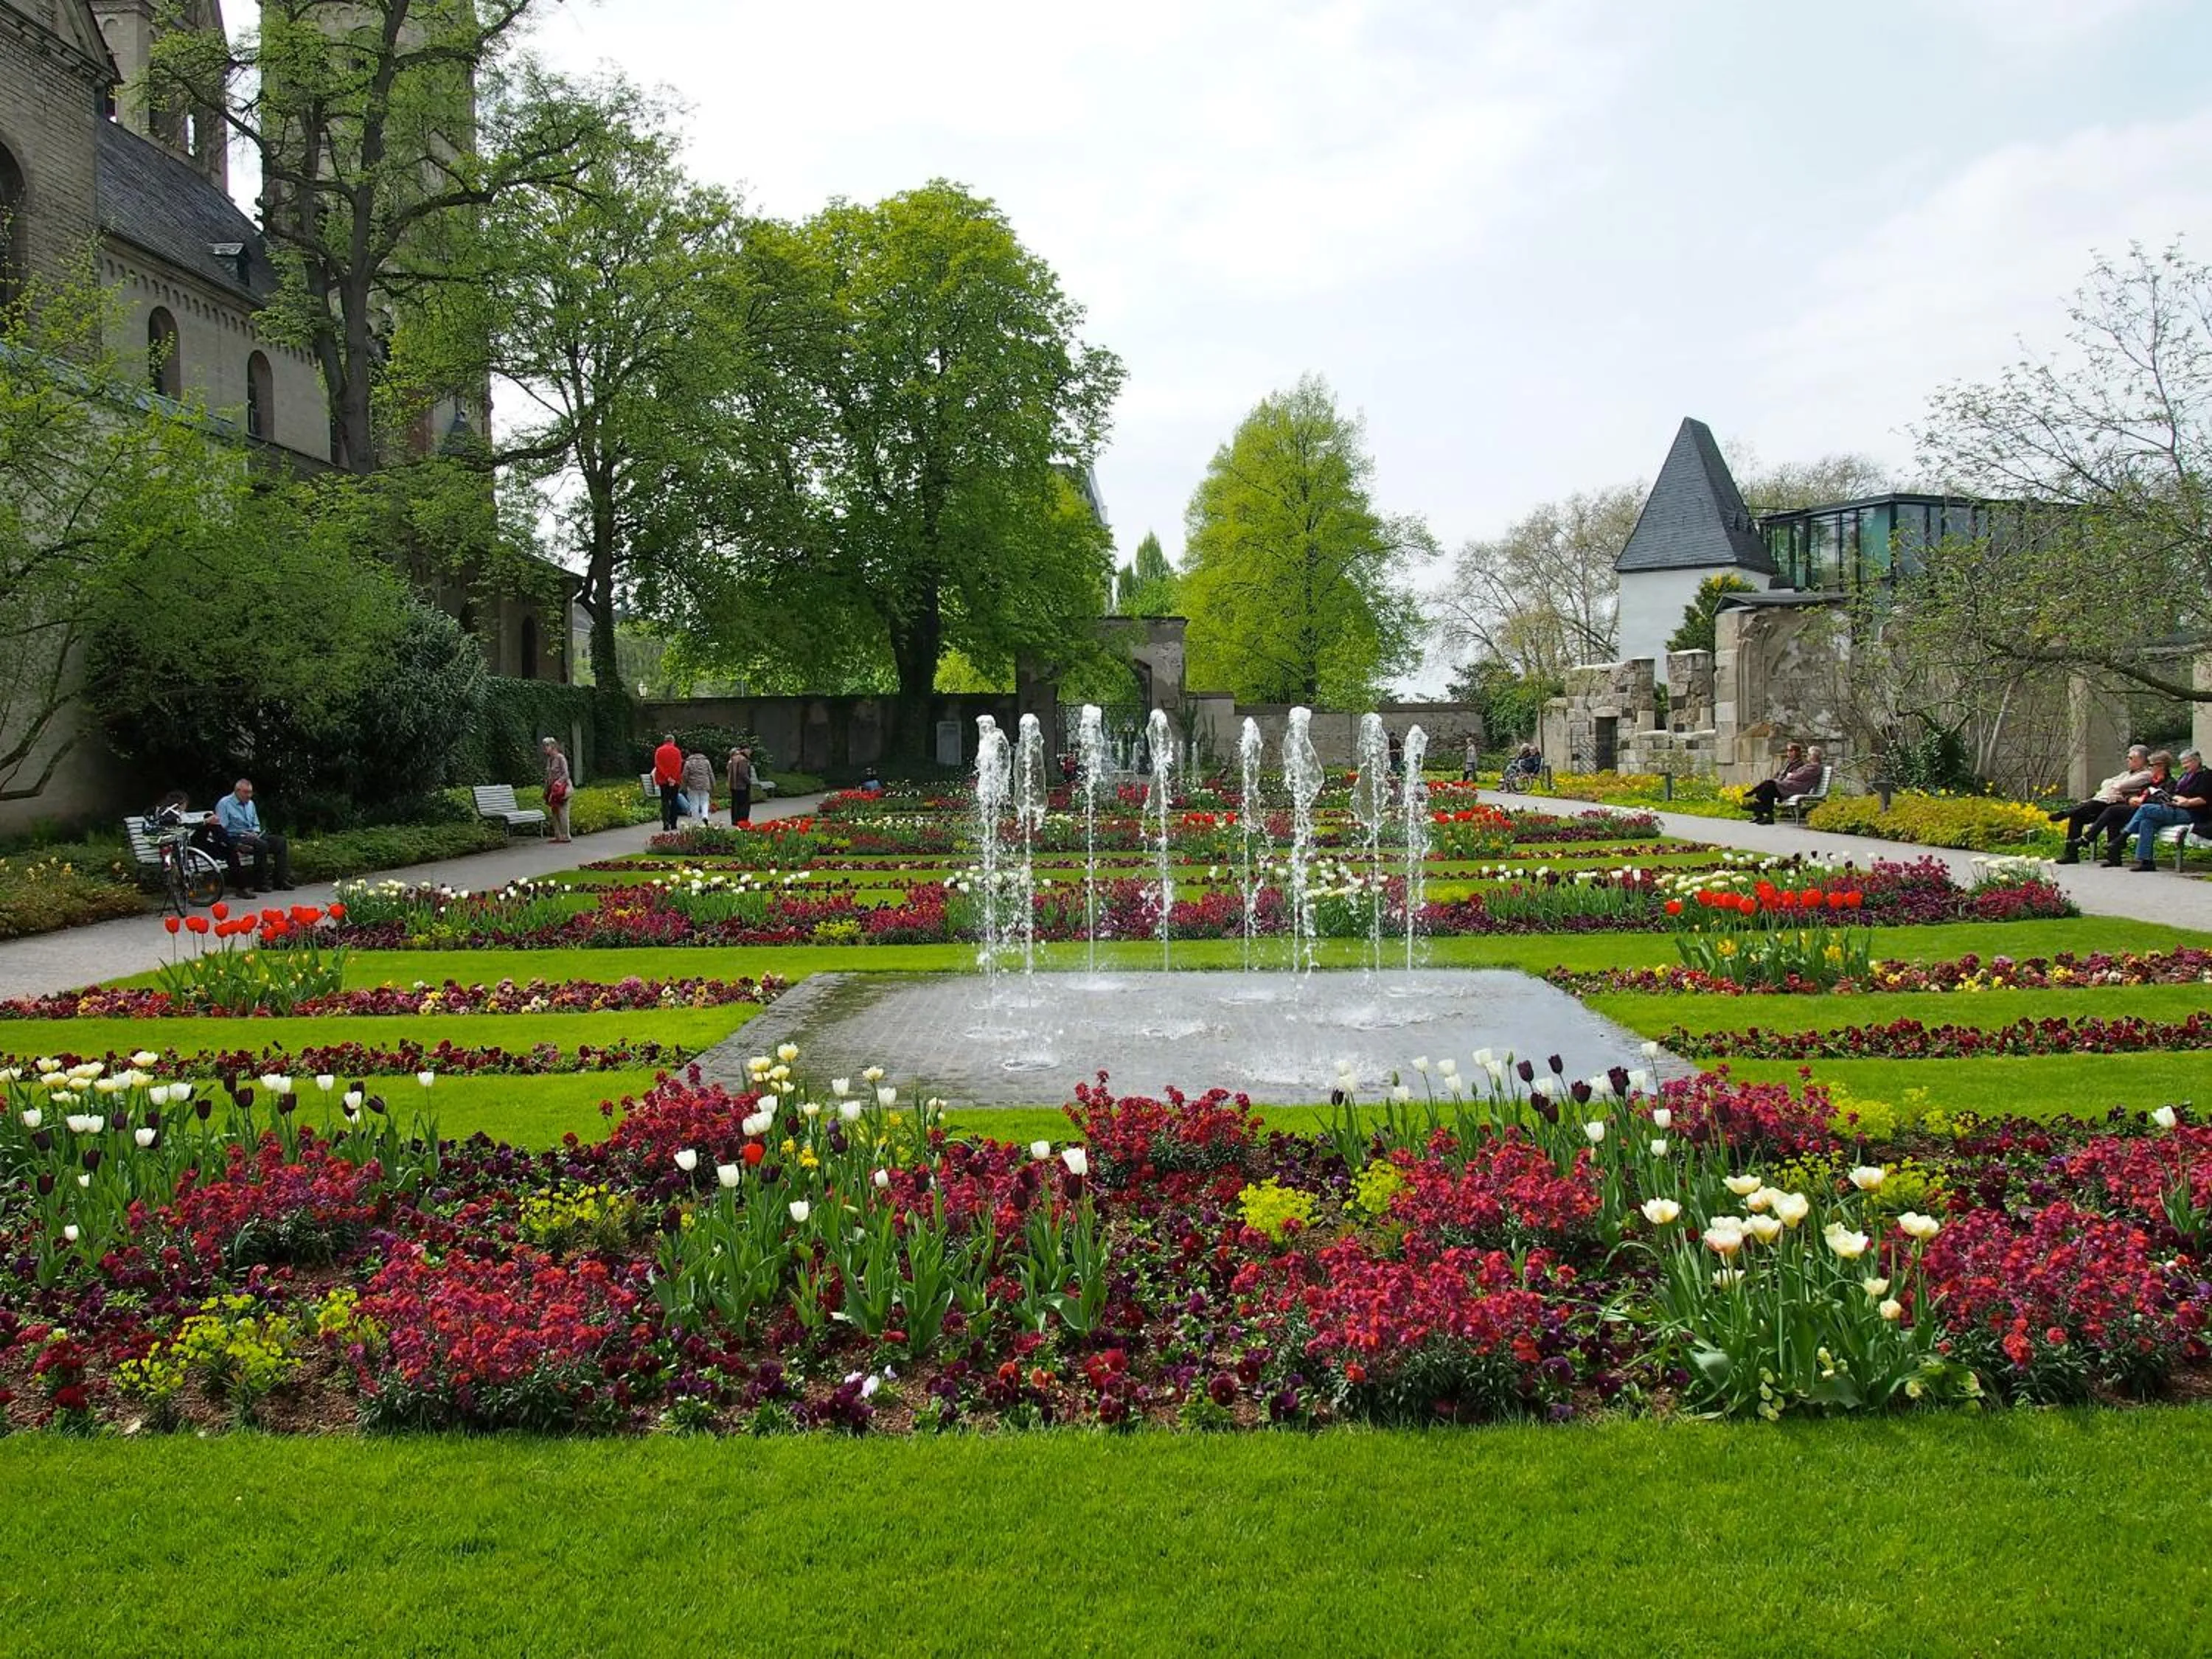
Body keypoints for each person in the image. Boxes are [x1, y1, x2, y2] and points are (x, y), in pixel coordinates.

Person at [2050, 743, 2152, 864]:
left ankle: (2066, 813)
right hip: (2107, 803)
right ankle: (2071, 854)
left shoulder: (2145, 775)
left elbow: (2119, 785)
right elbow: (2106, 783)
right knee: (2078, 816)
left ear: (2141, 760)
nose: (2127, 760)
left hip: (2120, 805)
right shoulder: (2126, 774)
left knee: (2101, 808)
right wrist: (2114, 785)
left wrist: (2115, 785)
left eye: (2131, 758)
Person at [2118, 748, 2212, 871]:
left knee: (2146, 809)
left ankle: (2122, 838)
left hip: (2193, 813)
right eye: (2182, 763)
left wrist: (2188, 802)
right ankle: (2146, 862)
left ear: (2197, 761)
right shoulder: (2185, 776)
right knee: (2147, 821)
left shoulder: (2206, 775)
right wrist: (2173, 798)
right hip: (2177, 808)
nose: (2184, 766)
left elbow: (2206, 798)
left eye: (2187, 762)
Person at [151, 789, 249, 897]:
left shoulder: (174, 812)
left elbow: (189, 824)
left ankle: (241, 887)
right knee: (209, 819)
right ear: (181, 803)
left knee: (229, 851)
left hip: (196, 844)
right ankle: (234, 846)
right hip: (185, 846)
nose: (185, 807)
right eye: (185, 804)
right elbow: (186, 825)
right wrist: (207, 821)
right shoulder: (168, 813)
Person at [215, 778, 292, 891]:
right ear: (237, 791)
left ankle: (280, 880)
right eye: (246, 792)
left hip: (253, 835)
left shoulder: (250, 804)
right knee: (261, 845)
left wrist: (255, 832)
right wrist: (244, 834)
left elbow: (256, 823)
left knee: (280, 842)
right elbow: (221, 828)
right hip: (235, 837)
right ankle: (260, 883)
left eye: (251, 792)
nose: (249, 795)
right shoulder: (224, 804)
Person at [1745, 742, 1822, 824]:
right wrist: (1790, 775)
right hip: (1790, 785)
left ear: (1814, 756)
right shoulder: (1808, 766)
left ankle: (1756, 797)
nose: (1807, 756)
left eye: (1809, 754)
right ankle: (1765, 815)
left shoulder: (1814, 767)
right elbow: (1792, 774)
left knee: (1768, 786)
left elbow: (1798, 776)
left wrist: (1791, 775)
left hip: (1795, 788)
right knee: (1766, 789)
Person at [540, 736, 573, 844]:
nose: (544, 748)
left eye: (547, 746)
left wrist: (558, 783)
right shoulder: (550, 760)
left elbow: (566, 774)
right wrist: (546, 790)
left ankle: (566, 836)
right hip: (552, 791)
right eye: (544, 746)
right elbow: (548, 777)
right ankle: (558, 835)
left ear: (553, 746)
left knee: (563, 812)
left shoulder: (560, 758)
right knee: (554, 812)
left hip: (562, 789)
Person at [652, 732, 684, 832]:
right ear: (673, 741)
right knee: (674, 801)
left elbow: (658, 765)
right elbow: (678, 766)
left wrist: (667, 777)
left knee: (665, 802)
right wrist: (673, 778)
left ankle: (666, 823)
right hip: (675, 781)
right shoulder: (677, 751)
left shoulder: (659, 751)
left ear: (665, 741)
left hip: (663, 780)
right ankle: (674, 823)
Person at [681, 751, 714, 823]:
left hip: (692, 786)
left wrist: (684, 786)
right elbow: (710, 773)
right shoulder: (706, 762)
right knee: (705, 802)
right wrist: (713, 784)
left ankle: (695, 820)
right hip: (705, 785)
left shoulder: (688, 762)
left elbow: (685, 775)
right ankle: (705, 816)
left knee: (694, 803)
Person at [726, 746, 754, 824]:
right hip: (742, 785)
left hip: (733, 785)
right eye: (749, 751)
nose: (750, 753)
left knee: (735, 803)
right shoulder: (743, 760)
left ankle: (735, 820)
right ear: (745, 750)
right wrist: (749, 781)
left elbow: (728, 769)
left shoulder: (733, 759)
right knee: (743, 804)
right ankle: (742, 821)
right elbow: (743, 773)